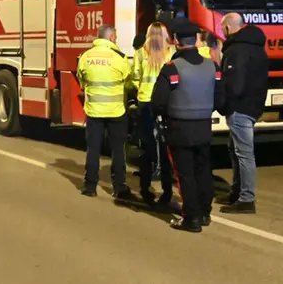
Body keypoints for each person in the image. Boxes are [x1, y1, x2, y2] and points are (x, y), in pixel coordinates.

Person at [150, 18, 225, 232]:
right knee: (203, 170)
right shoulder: (212, 66)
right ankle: (205, 212)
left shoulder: (172, 68)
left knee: (185, 174)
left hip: (179, 127)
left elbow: (158, 101)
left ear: (176, 41)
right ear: (197, 39)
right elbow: (220, 99)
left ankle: (191, 218)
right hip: (203, 126)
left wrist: (163, 115)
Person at [218, 13, 268, 214]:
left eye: (223, 29)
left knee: (244, 153)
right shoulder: (257, 47)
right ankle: (237, 192)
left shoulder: (236, 50)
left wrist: (225, 105)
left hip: (240, 108)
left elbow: (234, 85)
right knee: (236, 150)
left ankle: (246, 199)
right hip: (254, 105)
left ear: (228, 28)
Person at [76, 25, 133, 199]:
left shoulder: (85, 56)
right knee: (118, 150)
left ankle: (90, 186)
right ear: (112, 37)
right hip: (116, 112)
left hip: (94, 112)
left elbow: (82, 81)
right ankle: (119, 187)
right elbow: (128, 83)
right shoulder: (120, 58)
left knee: (93, 149)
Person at [132, 22, 175, 205]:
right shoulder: (170, 52)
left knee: (146, 147)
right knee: (166, 147)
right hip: (166, 103)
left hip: (145, 102)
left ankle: (145, 188)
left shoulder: (141, 53)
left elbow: (135, 77)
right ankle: (167, 190)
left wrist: (142, 89)